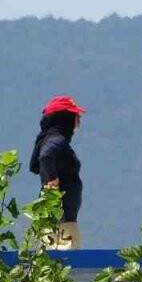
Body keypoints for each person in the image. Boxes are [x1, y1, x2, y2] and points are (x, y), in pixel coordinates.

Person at [28, 95, 85, 249]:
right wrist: (52, 180)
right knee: (69, 261)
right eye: (75, 116)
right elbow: (46, 156)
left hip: (57, 220)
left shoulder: (50, 138)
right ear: (65, 118)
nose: (78, 120)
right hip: (62, 222)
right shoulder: (57, 140)